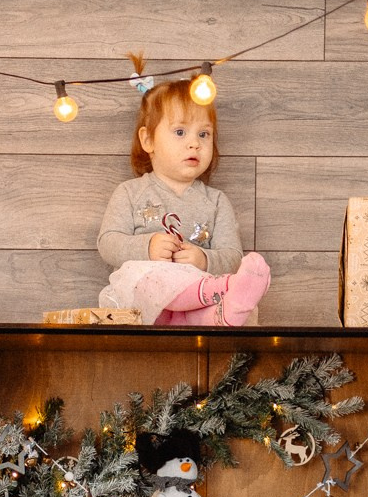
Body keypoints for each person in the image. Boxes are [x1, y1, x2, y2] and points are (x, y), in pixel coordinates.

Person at [96, 76, 270, 326]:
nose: (194, 143)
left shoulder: (216, 202)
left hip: (194, 308)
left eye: (204, 134)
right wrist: (147, 247)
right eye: (180, 132)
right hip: (143, 307)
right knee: (150, 279)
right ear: (148, 140)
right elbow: (108, 243)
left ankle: (224, 313)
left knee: (205, 306)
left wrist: (203, 259)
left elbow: (232, 256)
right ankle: (222, 291)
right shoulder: (130, 193)